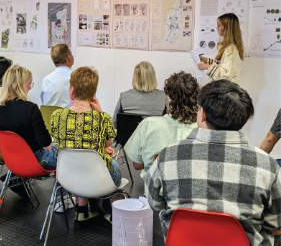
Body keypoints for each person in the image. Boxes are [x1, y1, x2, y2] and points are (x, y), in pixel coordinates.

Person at [144, 80, 281, 246]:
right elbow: (275, 223)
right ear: (243, 119)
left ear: (202, 114)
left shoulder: (168, 156)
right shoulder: (268, 166)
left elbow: (155, 203)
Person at [51, 66, 123, 223]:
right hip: (98, 177)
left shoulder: (57, 116)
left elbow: (59, 139)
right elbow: (109, 142)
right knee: (113, 161)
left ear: (72, 91)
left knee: (79, 157)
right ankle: (116, 216)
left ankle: (82, 211)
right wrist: (100, 112)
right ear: (93, 94)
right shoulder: (102, 118)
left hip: (68, 176)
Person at [124, 71, 198, 178]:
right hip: (191, 187)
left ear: (170, 97)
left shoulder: (148, 125)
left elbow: (137, 165)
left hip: (157, 189)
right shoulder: (206, 129)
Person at [0, 64, 58, 171]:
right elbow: (46, 145)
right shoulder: (30, 108)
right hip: (36, 160)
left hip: (12, 158)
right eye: (29, 83)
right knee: (68, 154)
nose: (30, 87)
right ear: (20, 84)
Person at [112, 61, 168, 128]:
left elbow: (114, 124)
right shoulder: (163, 97)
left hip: (129, 138)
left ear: (135, 77)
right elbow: (168, 124)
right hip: (154, 137)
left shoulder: (124, 96)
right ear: (153, 77)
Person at [198, 13, 244, 83]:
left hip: (224, 90)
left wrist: (207, 67)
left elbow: (225, 75)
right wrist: (205, 60)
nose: (217, 28)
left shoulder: (230, 50)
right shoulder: (228, 47)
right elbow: (221, 64)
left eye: (219, 26)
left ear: (227, 28)